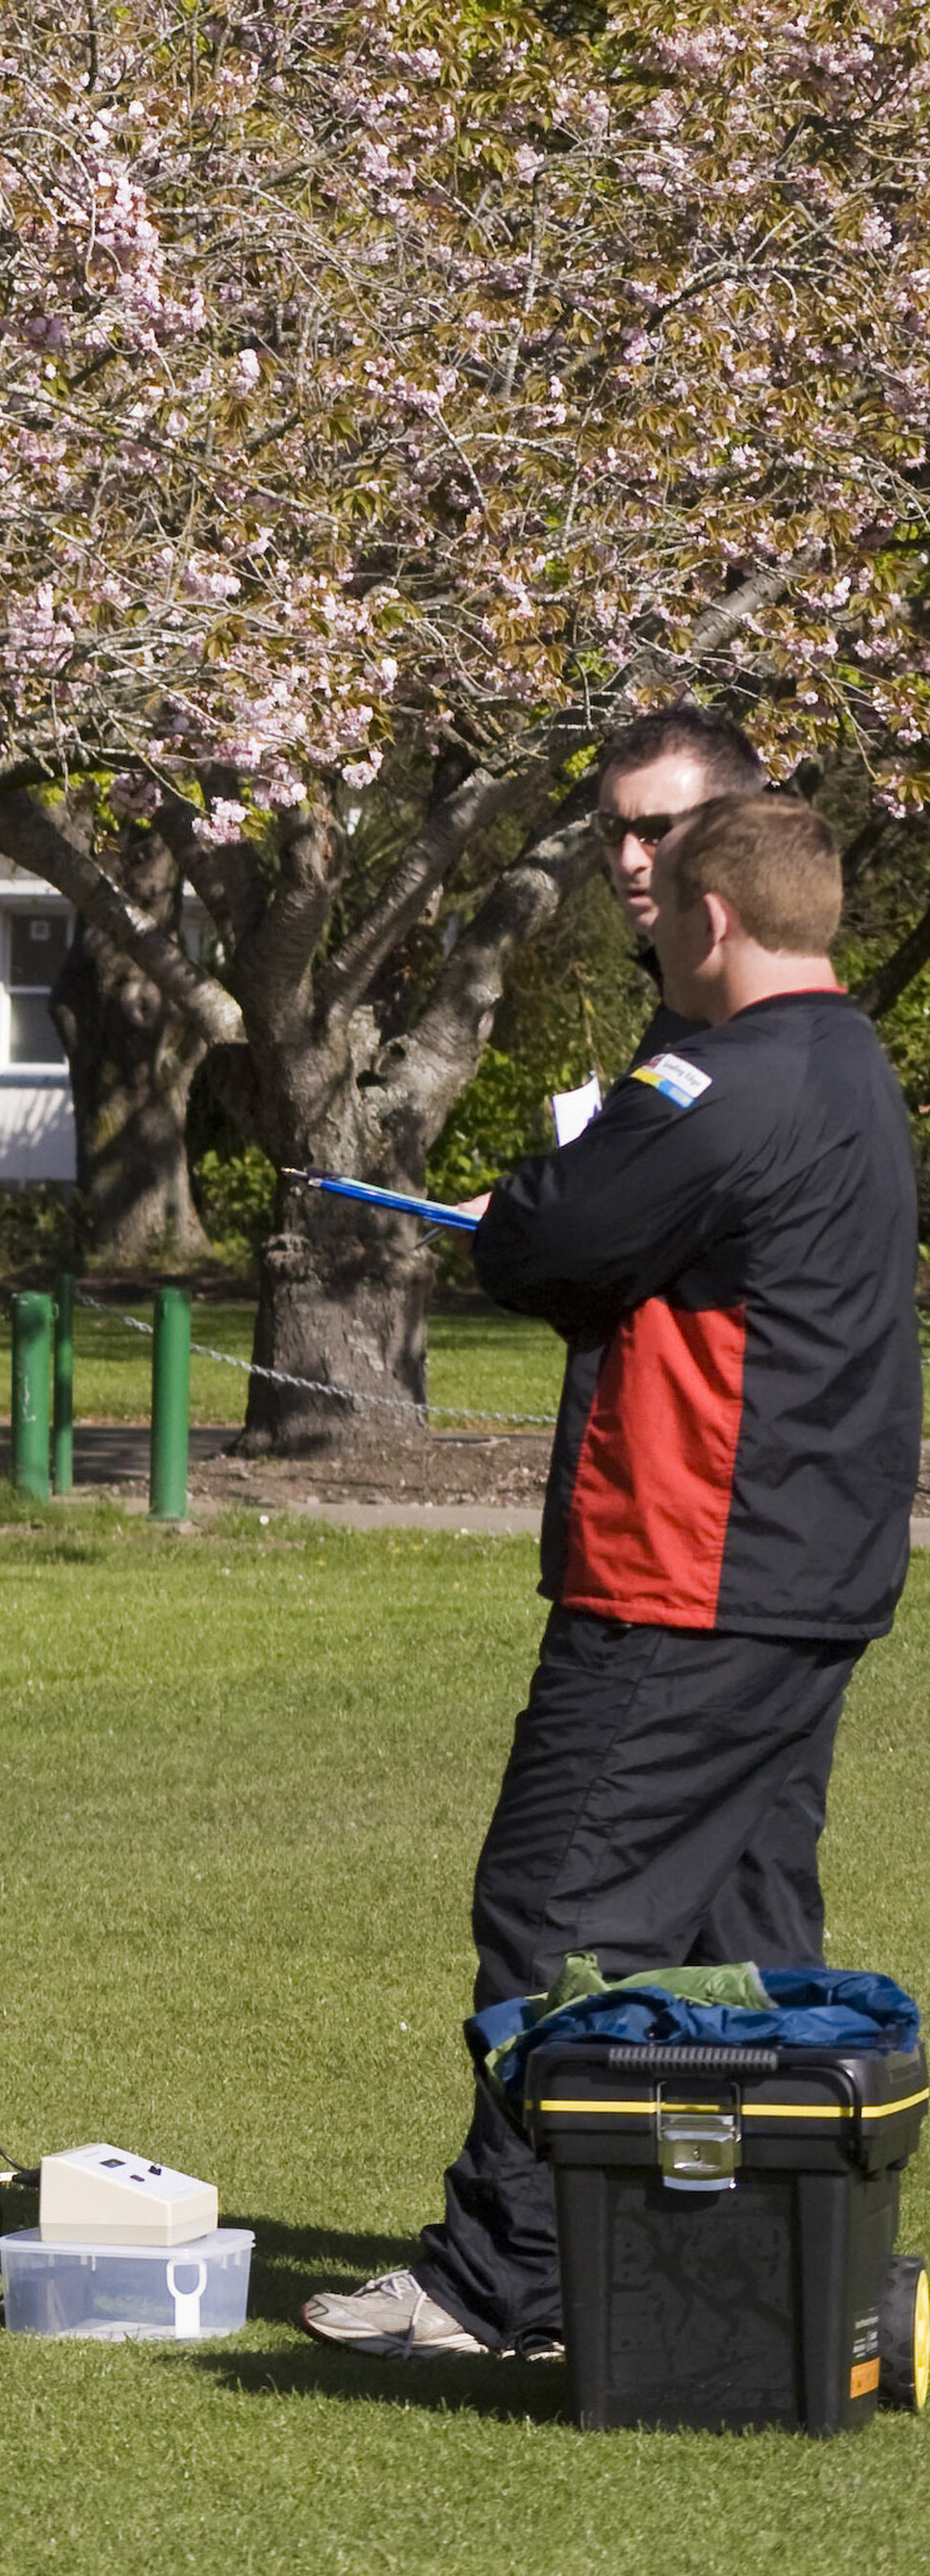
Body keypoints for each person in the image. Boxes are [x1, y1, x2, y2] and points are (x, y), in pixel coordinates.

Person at [300, 791, 917, 2363]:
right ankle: (773, 2256)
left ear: (713, 919)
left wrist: (527, 1215)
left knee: (558, 1904)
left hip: (686, 1574)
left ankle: (505, 2280)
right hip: (817, 1572)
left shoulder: (715, 1076)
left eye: (660, 914)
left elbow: (549, 1237)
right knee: (748, 1928)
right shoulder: (854, 1065)